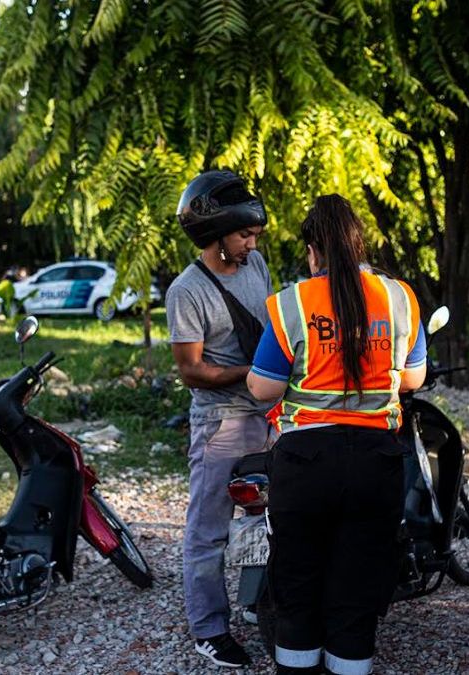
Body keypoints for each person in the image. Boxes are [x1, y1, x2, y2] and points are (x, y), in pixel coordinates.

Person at [246, 195, 428, 675]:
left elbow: (263, 388)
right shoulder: (399, 297)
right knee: (357, 591)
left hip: (306, 465)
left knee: (298, 588)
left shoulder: (293, 303)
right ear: (358, 242)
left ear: (313, 250)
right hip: (377, 463)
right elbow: (413, 379)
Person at [167, 170, 275, 668]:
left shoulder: (257, 268)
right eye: (244, 235)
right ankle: (209, 629)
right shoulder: (186, 291)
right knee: (208, 532)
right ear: (216, 236)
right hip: (220, 425)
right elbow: (192, 371)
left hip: (268, 414)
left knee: (273, 518)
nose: (252, 244)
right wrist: (253, 373)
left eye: (254, 235)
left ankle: (261, 603)